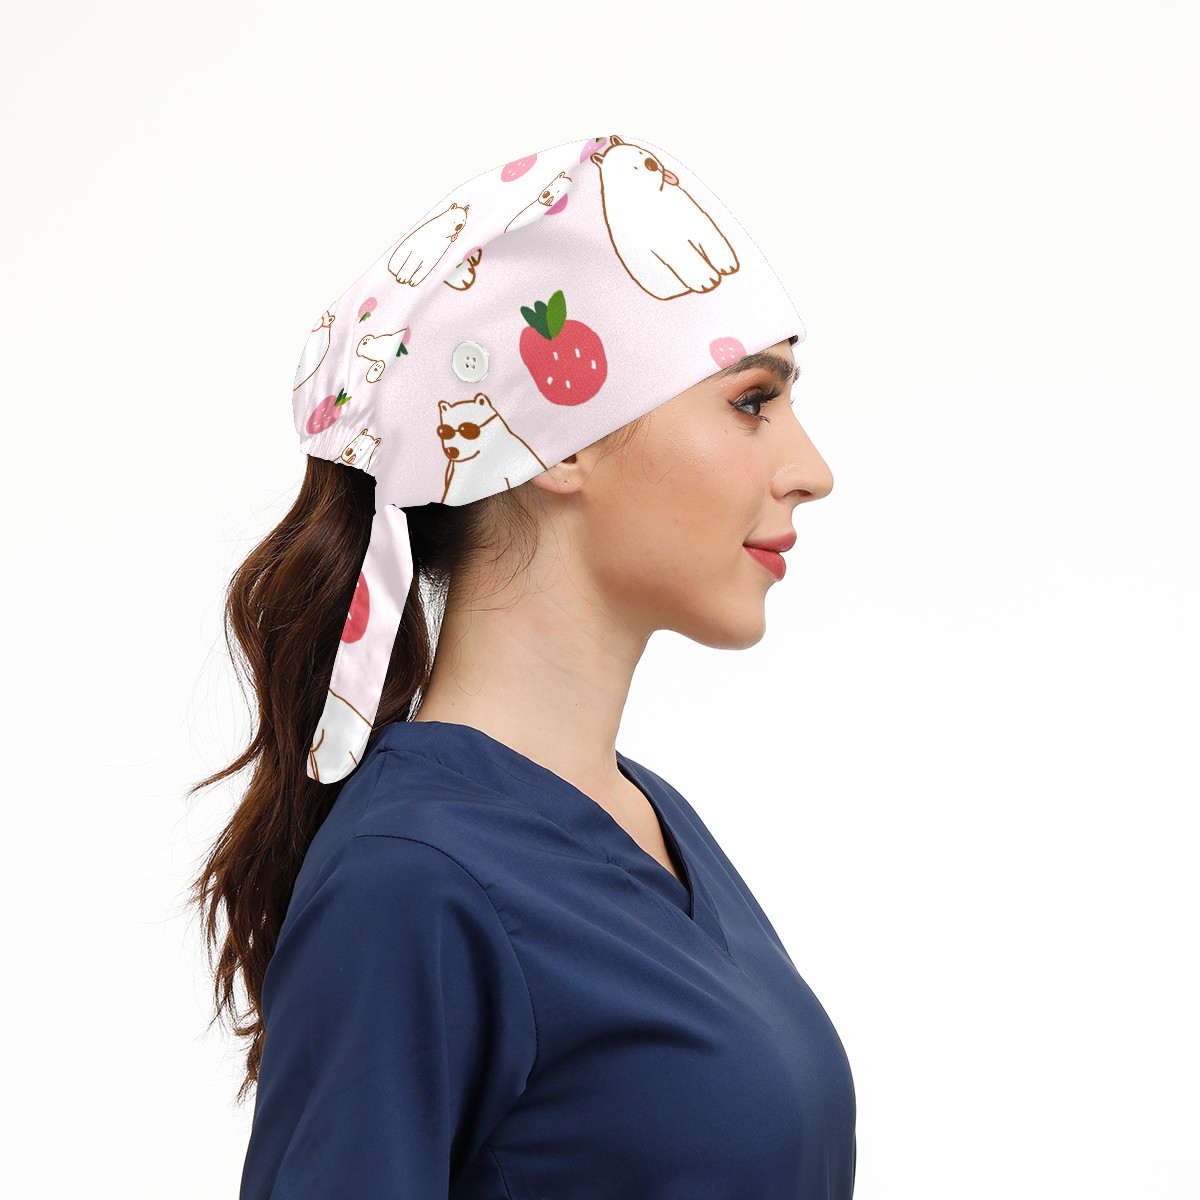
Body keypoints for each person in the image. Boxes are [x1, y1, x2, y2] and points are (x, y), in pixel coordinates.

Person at [188, 133, 856, 1198]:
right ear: (558, 439)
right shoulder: (412, 880)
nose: (810, 470)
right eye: (751, 401)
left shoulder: (647, 819)